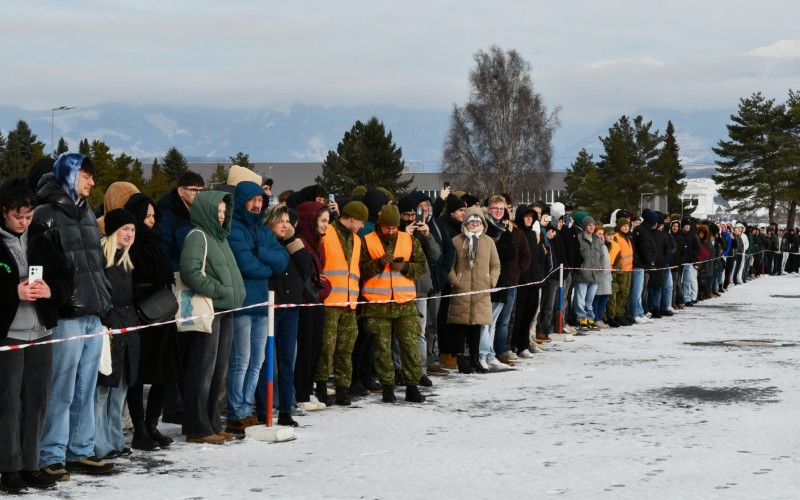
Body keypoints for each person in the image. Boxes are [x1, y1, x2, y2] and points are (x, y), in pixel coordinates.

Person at [35, 153, 115, 479]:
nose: (92, 182)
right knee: (61, 389)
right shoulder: (45, 215)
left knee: (85, 388)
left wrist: (104, 300)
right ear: (68, 175)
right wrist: (57, 303)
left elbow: (97, 266)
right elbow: (39, 268)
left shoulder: (88, 215)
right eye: (86, 175)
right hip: (66, 317)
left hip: (93, 315)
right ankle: (50, 453)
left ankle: (80, 450)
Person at [0, 177, 70, 493]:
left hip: (41, 332)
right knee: (7, 403)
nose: (24, 222)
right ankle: (9, 469)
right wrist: (13, 292)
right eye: (19, 216)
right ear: (4, 211)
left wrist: (50, 290)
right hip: (8, 336)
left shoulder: (42, 237)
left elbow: (66, 279)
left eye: (29, 216)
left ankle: (31, 465)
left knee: (38, 401)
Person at [178, 191, 245, 444]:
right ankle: (197, 427)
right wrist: (218, 291)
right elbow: (190, 271)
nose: (222, 216)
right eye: (217, 211)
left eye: (224, 212)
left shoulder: (220, 238)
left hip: (225, 310)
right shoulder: (198, 236)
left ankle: (213, 423)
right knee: (202, 369)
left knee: (218, 370)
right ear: (205, 211)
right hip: (209, 309)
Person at [225, 181, 288, 433]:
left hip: (262, 305)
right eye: (253, 200)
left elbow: (282, 260)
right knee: (241, 361)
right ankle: (235, 413)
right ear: (242, 201)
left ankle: (246, 409)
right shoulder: (234, 228)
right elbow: (244, 264)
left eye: (260, 200)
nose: (257, 204)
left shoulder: (263, 231)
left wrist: (260, 252)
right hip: (242, 305)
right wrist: (267, 268)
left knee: (257, 361)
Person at [123, 193, 180, 450]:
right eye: (146, 216)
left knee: (163, 373)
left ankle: (152, 424)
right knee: (138, 376)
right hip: (140, 314)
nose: (151, 220)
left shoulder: (157, 240)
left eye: (153, 215)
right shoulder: (131, 244)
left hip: (162, 313)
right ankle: (139, 429)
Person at [360, 204, 428, 403]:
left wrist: (405, 267)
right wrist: (379, 263)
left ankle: (412, 387)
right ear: (380, 225)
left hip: (404, 303)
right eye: (387, 227)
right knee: (382, 350)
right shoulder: (367, 241)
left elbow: (421, 266)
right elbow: (360, 270)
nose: (390, 231)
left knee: (410, 347)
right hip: (377, 304)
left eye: (394, 227)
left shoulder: (410, 240)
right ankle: (387, 388)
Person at [255, 204, 311, 426]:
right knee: (267, 362)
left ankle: (286, 409)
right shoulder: (265, 242)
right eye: (281, 221)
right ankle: (264, 409)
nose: (285, 225)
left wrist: (292, 242)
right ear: (270, 222)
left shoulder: (294, 243)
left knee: (288, 362)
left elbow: (306, 267)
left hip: (291, 309)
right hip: (271, 309)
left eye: (288, 221)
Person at [157, 170, 205, 424]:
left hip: (194, 282)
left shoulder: (198, 215)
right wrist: (183, 269)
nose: (198, 194)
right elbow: (164, 250)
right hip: (177, 282)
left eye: (201, 190)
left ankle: (186, 402)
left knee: (191, 344)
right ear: (181, 190)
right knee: (177, 344)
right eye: (194, 190)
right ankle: (173, 405)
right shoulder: (169, 215)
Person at [94, 209, 141, 460]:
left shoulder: (127, 259)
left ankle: (115, 439)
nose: (129, 234)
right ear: (113, 230)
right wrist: (109, 323)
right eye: (125, 228)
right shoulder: (101, 256)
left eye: (132, 229)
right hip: (109, 331)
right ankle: (98, 442)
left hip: (127, 331)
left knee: (119, 391)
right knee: (102, 391)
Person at [314, 201, 368, 406]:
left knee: (346, 348)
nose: (362, 226)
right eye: (361, 222)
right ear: (352, 219)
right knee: (326, 347)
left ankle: (342, 389)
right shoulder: (326, 233)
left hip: (349, 303)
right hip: (329, 301)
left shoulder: (356, 240)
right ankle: (320, 387)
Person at [448, 207, 501, 374]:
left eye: (478, 221)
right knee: (460, 326)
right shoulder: (457, 241)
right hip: (462, 289)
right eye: (472, 221)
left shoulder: (488, 241)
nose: (475, 223)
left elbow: (495, 265)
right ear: (466, 222)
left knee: (476, 327)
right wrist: (455, 281)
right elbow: (450, 265)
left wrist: (491, 281)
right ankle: (460, 359)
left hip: (481, 290)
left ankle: (475, 358)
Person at [294, 201, 332, 412]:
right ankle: (301, 393)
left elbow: (320, 278)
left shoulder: (318, 243)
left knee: (315, 348)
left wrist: (324, 285)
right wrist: (325, 286)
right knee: (305, 349)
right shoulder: (300, 242)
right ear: (311, 220)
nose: (326, 225)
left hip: (317, 302)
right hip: (305, 303)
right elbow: (310, 279)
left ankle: (308, 390)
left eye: (327, 221)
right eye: (323, 220)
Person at [511, 205, 547, 355]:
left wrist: (539, 277)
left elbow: (539, 257)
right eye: (526, 216)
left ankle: (523, 345)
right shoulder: (515, 233)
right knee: (517, 316)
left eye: (531, 217)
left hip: (534, 281)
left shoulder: (533, 235)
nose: (529, 219)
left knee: (529, 315)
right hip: (520, 282)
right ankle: (513, 345)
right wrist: (519, 275)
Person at [573, 214, 604, 332]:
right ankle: (581, 318)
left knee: (590, 299)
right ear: (584, 226)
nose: (592, 227)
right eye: (589, 225)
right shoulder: (578, 239)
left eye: (593, 225)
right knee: (580, 299)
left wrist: (600, 268)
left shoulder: (597, 240)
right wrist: (579, 268)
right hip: (582, 274)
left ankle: (590, 317)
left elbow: (602, 256)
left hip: (595, 275)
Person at [607, 217, 633, 327]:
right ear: (619, 226)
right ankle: (617, 314)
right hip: (620, 271)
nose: (626, 228)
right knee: (620, 293)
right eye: (624, 226)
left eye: (628, 226)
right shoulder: (617, 237)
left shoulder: (627, 237)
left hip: (628, 270)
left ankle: (621, 313)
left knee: (625, 293)